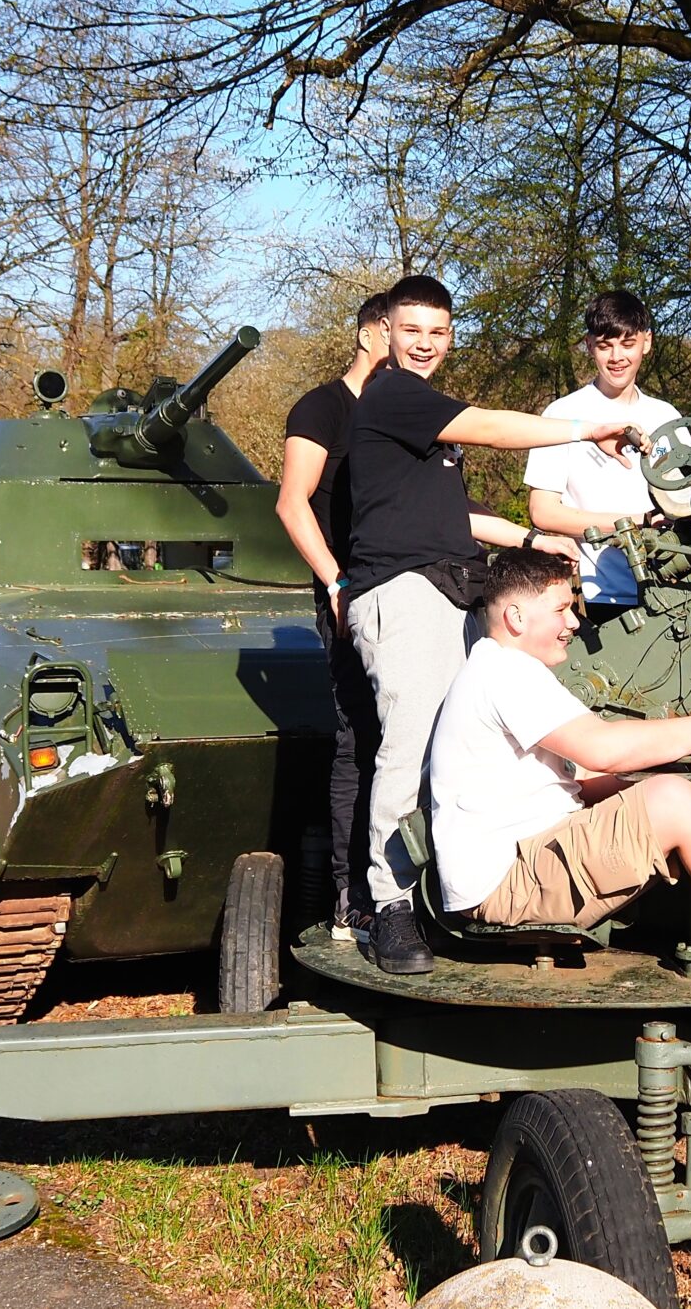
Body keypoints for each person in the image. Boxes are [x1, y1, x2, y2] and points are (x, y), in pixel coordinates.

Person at [346, 274, 638, 973]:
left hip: (451, 587)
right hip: (403, 591)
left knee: (468, 741)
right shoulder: (392, 394)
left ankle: (473, 886)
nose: (424, 343)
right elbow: (493, 427)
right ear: (386, 333)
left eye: (437, 332)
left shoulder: (420, 425)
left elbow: (454, 516)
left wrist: (534, 540)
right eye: (411, 330)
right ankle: (389, 906)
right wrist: (587, 427)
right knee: (411, 747)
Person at [427, 548, 691, 927]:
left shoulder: (499, 667)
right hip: (509, 879)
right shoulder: (504, 672)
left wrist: (683, 770)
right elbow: (601, 750)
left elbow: (581, 780)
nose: (573, 622)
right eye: (560, 609)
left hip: (528, 860)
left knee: (680, 788)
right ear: (516, 617)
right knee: (673, 801)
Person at [273, 291, 387, 938]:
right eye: (398, 331)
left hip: (410, 597)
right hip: (350, 598)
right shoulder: (323, 407)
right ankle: (352, 895)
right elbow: (293, 503)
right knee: (358, 740)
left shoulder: (402, 410)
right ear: (370, 334)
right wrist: (336, 582)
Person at [522, 290, 681, 605]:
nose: (617, 357)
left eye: (628, 344)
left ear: (647, 342)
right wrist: (639, 521)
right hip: (599, 596)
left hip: (672, 589)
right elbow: (543, 511)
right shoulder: (561, 415)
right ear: (589, 345)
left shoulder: (668, 417)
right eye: (606, 346)